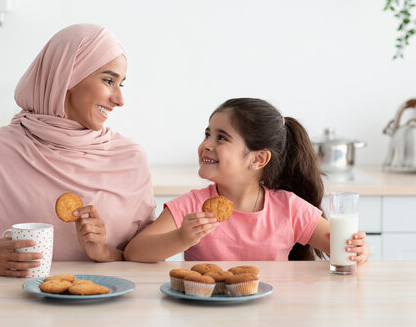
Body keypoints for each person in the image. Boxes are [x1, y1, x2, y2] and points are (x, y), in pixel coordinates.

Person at [0, 24, 156, 276]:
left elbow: (144, 256)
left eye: (121, 84)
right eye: (108, 80)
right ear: (67, 76)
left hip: (112, 308)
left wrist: (104, 252)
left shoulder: (130, 158)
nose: (119, 100)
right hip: (14, 307)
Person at [124, 98, 369, 264]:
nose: (206, 144)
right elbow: (134, 252)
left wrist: (359, 251)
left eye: (221, 138)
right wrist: (181, 238)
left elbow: (342, 248)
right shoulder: (191, 206)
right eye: (207, 134)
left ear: (258, 158)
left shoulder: (290, 209)